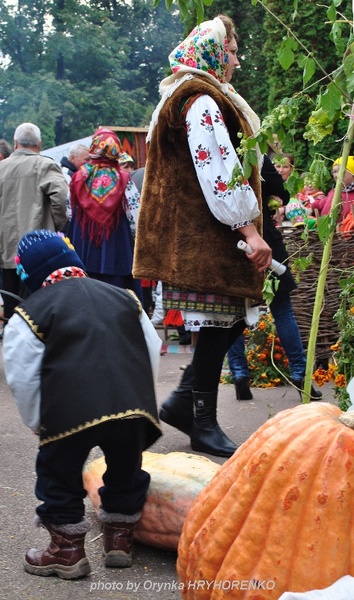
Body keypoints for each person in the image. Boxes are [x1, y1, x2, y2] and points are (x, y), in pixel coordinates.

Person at [133, 15, 272, 458]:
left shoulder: (192, 95)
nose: (235, 59)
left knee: (226, 323)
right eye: (231, 50)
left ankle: (183, 404)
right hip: (206, 239)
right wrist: (249, 230)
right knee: (221, 324)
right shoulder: (201, 100)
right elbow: (219, 172)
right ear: (214, 52)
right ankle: (202, 421)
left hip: (204, 237)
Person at [2, 229, 162, 579]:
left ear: (29, 276)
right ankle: (119, 539)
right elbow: (150, 348)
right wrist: (140, 396)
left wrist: (36, 420)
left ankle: (66, 550)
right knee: (126, 468)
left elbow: (23, 373)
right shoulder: (124, 297)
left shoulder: (31, 312)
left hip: (69, 410)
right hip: (130, 406)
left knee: (58, 473)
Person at [227, 155, 322, 402]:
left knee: (233, 313)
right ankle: (301, 375)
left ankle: (239, 375)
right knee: (282, 310)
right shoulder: (257, 154)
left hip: (229, 242)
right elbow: (282, 193)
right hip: (265, 235)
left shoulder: (218, 152)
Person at [0, 122, 68, 321]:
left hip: (5, 247)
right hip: (38, 248)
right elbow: (61, 198)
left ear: (15, 143)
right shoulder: (45, 165)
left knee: (11, 298)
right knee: (37, 302)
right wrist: (56, 226)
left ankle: (13, 336)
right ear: (39, 144)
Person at [68, 128, 143, 300]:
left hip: (84, 240)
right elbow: (135, 215)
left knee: (85, 289)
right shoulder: (124, 179)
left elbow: (70, 211)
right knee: (117, 291)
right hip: (117, 242)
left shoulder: (78, 177)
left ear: (94, 148)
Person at [312, 156, 354, 224]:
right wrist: (309, 205)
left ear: (352, 173)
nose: (336, 175)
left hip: (345, 233)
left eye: (341, 171)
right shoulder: (333, 191)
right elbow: (321, 204)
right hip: (327, 232)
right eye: (334, 172)